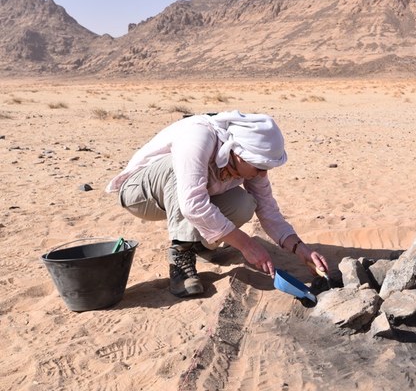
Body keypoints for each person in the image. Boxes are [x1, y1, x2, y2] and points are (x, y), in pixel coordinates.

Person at [105, 110, 329, 297]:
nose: (262, 173)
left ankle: (200, 245)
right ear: (238, 154)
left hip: (180, 197)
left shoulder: (251, 164)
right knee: (181, 173)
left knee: (244, 202)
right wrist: (245, 244)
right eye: (259, 167)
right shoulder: (198, 137)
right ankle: (181, 256)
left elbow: (268, 209)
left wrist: (301, 249)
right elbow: (192, 203)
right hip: (141, 194)